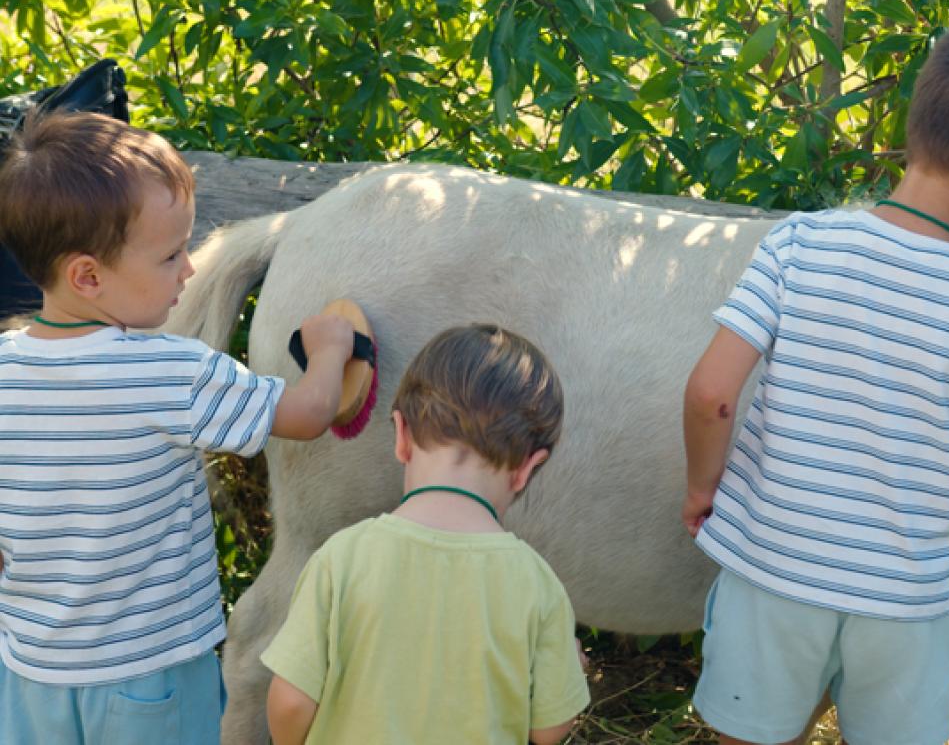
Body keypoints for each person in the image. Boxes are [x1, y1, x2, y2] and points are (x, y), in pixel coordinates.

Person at [683, 7, 949, 745]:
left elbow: (712, 392)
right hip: (904, 606)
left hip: (772, 582)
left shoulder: (799, 244)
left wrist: (704, 488)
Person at [0, 111, 356, 744]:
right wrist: (331, 349)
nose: (189, 271)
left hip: (28, 676)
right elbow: (305, 416)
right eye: (170, 255)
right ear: (88, 276)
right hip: (152, 678)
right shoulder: (169, 372)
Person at [262, 324, 590, 745]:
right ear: (528, 467)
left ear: (400, 435)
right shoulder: (537, 584)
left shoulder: (342, 558)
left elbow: (290, 703)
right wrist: (567, 666)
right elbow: (547, 731)